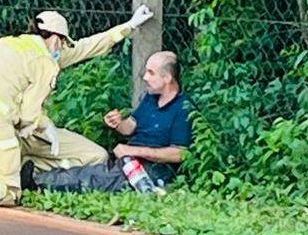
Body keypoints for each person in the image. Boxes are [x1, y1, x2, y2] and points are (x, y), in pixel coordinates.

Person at [0, 6, 154, 209]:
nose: (62, 48)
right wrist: (47, 127)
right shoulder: (44, 61)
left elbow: (86, 47)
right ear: (56, 39)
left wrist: (128, 26)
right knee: (9, 192)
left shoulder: (8, 42)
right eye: (63, 42)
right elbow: (29, 115)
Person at [29, 50, 193, 194]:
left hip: (153, 169)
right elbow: (130, 128)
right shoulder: (151, 98)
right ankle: (37, 179)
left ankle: (36, 182)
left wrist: (133, 151)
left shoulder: (183, 108)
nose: (144, 77)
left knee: (96, 179)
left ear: (167, 78)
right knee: (91, 172)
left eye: (151, 73)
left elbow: (178, 154)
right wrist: (118, 123)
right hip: (129, 161)